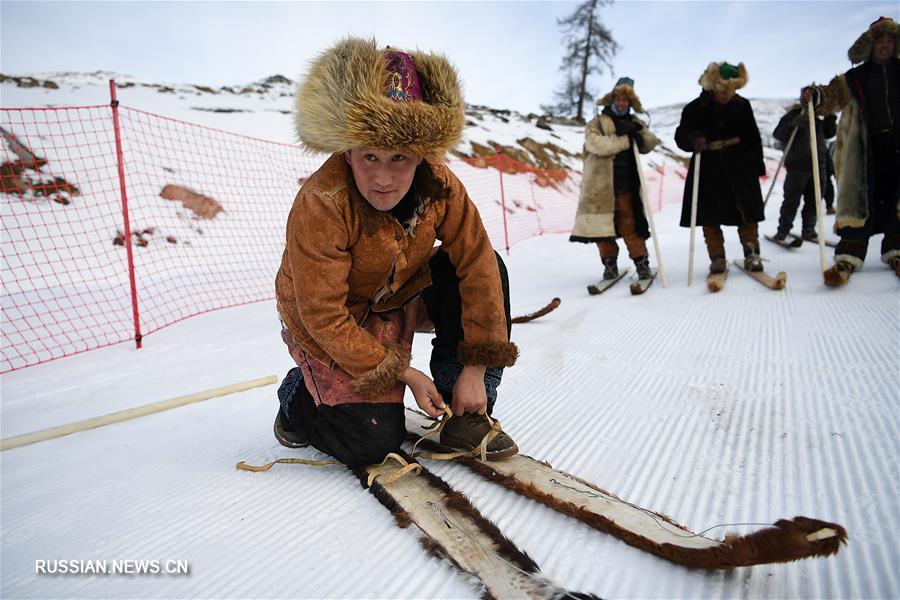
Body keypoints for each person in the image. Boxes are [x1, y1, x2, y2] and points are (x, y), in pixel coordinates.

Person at [273, 38, 519, 467]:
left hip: (399, 296)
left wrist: (474, 371)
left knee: (491, 268)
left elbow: (477, 265)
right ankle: (300, 394)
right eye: (370, 156)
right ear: (348, 152)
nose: (383, 178)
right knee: (370, 443)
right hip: (329, 321)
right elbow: (324, 316)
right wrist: (404, 373)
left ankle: (464, 413)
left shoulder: (441, 185)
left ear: (421, 154)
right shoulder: (322, 200)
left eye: (400, 157)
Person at [803, 16, 900, 283]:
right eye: (880, 40)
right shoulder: (854, 77)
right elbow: (832, 96)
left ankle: (897, 251)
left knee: (897, 199)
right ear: (870, 45)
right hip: (866, 148)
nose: (885, 45)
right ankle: (848, 257)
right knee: (859, 199)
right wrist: (816, 95)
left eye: (891, 40)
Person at [675, 62, 766, 274]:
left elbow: (753, 136)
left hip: (740, 165)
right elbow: (681, 135)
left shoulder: (742, 105)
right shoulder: (694, 108)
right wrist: (694, 138)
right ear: (713, 85)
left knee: (747, 214)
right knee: (709, 216)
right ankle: (717, 258)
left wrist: (758, 166)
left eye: (732, 89)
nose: (728, 94)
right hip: (708, 167)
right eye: (724, 89)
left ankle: (751, 254)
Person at [569, 77, 660, 280]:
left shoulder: (634, 122)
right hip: (599, 187)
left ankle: (641, 263)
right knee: (601, 229)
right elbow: (596, 145)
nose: (621, 103)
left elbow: (650, 142)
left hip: (625, 185)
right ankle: (610, 265)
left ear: (630, 103)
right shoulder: (597, 122)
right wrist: (626, 140)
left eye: (625, 100)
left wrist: (638, 134)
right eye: (618, 99)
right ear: (612, 99)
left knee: (630, 224)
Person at [771, 103, 837, 242]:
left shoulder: (817, 119)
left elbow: (830, 133)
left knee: (814, 200)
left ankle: (809, 229)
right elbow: (778, 134)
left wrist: (830, 117)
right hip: (797, 166)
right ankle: (783, 230)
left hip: (818, 165)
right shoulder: (793, 116)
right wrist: (793, 125)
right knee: (791, 200)